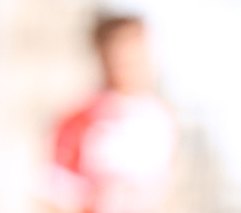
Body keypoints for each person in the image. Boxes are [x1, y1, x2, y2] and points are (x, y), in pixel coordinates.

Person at [42, 14, 176, 213]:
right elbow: (56, 197)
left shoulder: (160, 119)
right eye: (123, 50)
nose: (132, 58)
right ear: (104, 55)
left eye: (138, 47)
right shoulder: (79, 119)